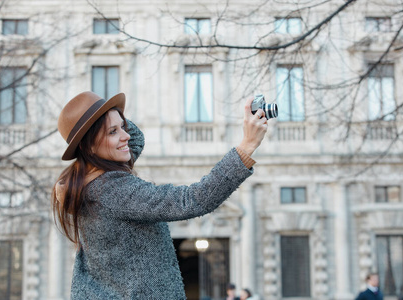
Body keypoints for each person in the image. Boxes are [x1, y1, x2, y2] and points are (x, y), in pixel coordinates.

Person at [52, 91, 268, 299]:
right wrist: (247, 146)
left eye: (122, 126)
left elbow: (134, 139)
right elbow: (193, 199)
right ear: (89, 146)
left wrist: (106, 113)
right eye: (112, 132)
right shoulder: (113, 190)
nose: (125, 135)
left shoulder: (87, 183)